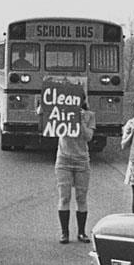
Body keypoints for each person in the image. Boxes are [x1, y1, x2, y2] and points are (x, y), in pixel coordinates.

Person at [39, 94, 96, 244]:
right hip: (64, 160)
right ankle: (64, 233)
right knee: (64, 197)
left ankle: (82, 232)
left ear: (82, 101)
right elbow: (46, 121)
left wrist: (81, 121)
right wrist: (43, 110)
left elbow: (89, 136)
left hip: (82, 160)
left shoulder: (89, 115)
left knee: (81, 197)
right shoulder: (61, 113)